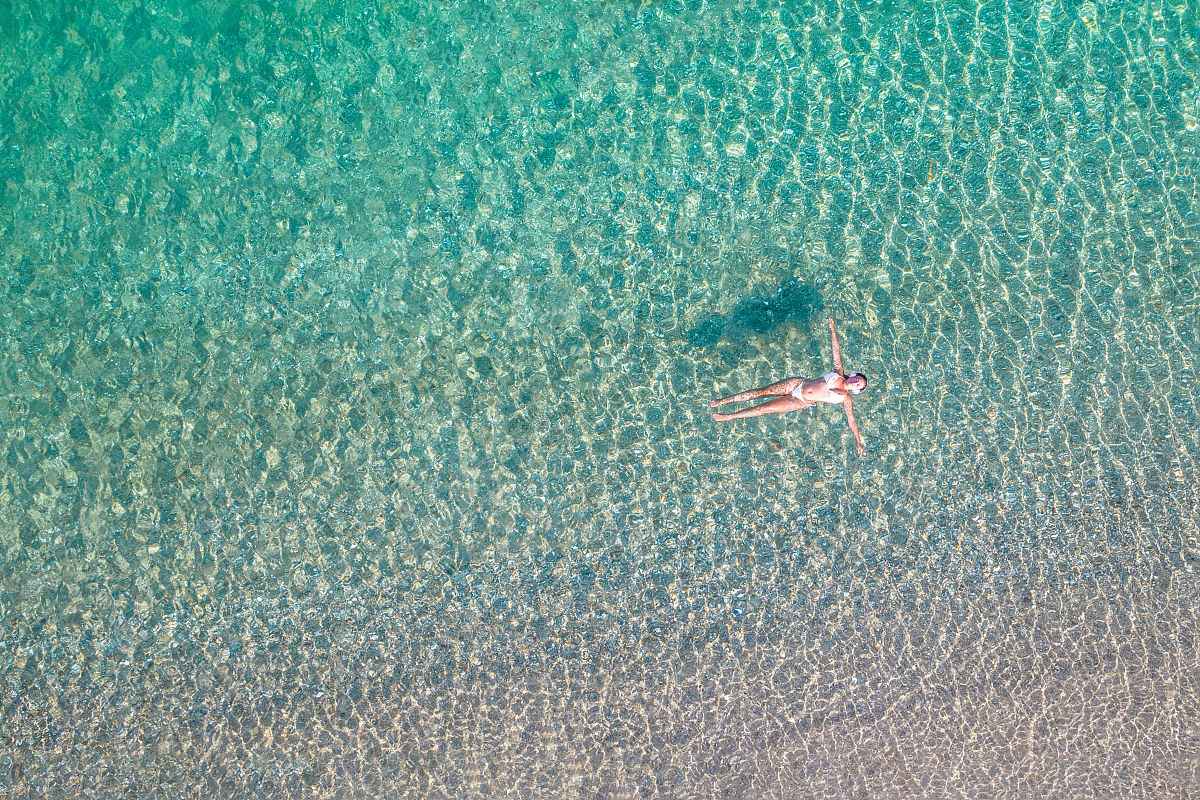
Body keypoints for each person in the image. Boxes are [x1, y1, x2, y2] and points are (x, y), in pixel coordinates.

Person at [710, 316, 867, 455]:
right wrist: (832, 329)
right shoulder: (838, 372)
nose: (855, 382)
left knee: (763, 409)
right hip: (797, 383)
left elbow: (851, 420)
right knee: (761, 392)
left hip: (800, 401)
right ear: (853, 375)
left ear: (856, 391)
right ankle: (723, 401)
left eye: (858, 385)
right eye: (857, 379)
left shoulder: (846, 399)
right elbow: (835, 351)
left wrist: (858, 442)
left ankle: (729, 416)